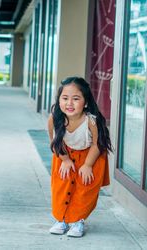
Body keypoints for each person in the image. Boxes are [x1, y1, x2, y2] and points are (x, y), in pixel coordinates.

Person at [48, 76, 112, 237]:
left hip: (90, 156)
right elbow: (54, 141)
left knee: (84, 189)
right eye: (65, 98)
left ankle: (78, 221)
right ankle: (61, 219)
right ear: (59, 100)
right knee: (61, 187)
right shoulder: (54, 118)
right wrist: (65, 160)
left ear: (86, 102)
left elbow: (98, 144)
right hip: (64, 155)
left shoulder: (91, 121)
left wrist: (88, 165)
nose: (69, 103)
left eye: (76, 98)